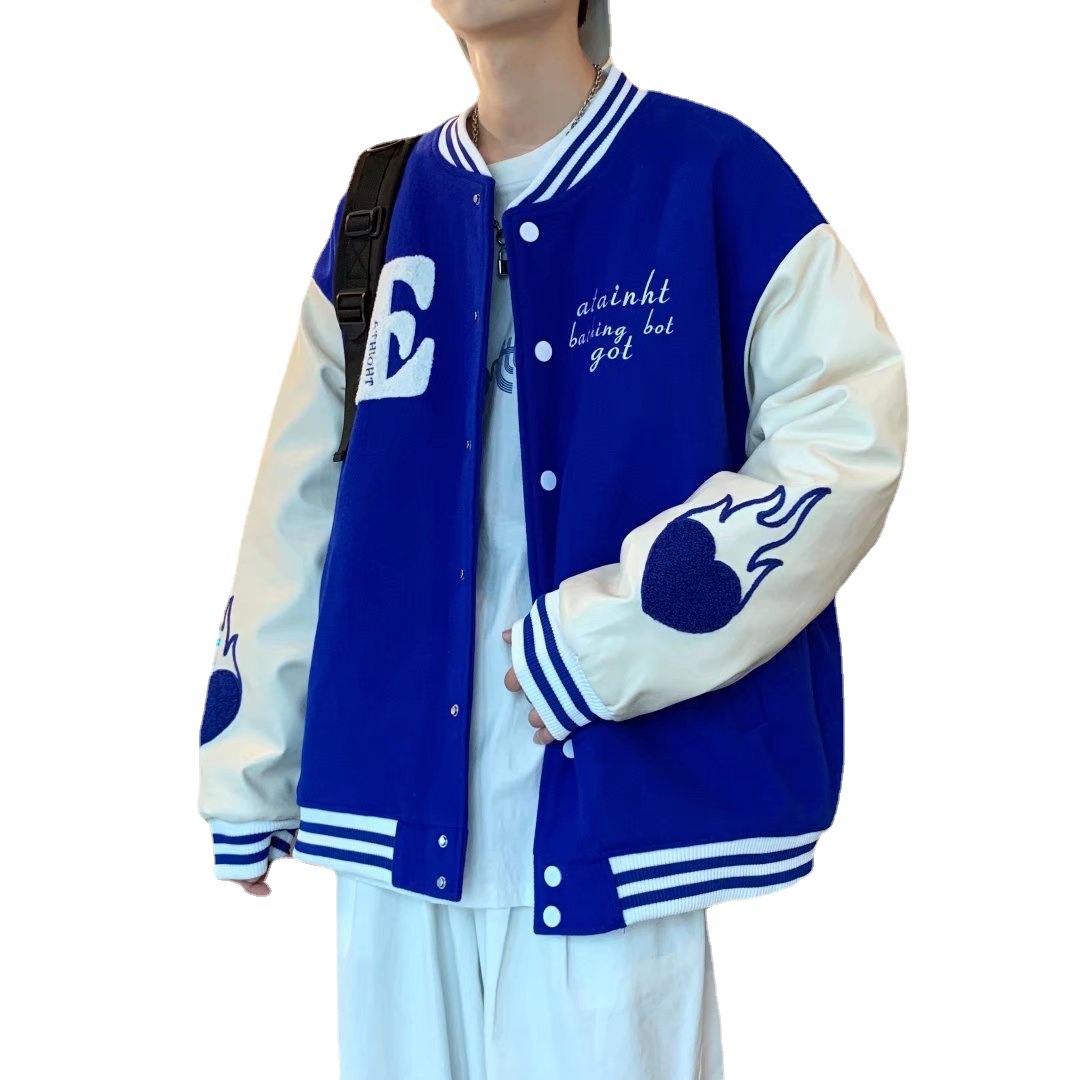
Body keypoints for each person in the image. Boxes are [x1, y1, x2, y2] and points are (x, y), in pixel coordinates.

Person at [196, 1, 908, 1076]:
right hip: (393, 823)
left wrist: (606, 641)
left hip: (614, 816)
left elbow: (846, 434)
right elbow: (301, 498)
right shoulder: (379, 208)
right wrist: (249, 762)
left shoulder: (710, 175)